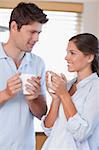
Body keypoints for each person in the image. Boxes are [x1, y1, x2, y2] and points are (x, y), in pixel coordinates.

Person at [0, 2, 48, 150]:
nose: (36, 39)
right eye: (32, 32)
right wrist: (6, 93)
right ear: (14, 27)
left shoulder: (38, 63)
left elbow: (42, 113)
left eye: (39, 33)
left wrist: (34, 100)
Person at [41, 33, 99, 150]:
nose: (66, 57)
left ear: (89, 57)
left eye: (72, 53)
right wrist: (56, 98)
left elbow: (81, 133)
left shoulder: (96, 87)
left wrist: (64, 95)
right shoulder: (67, 85)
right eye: (67, 52)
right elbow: (49, 129)